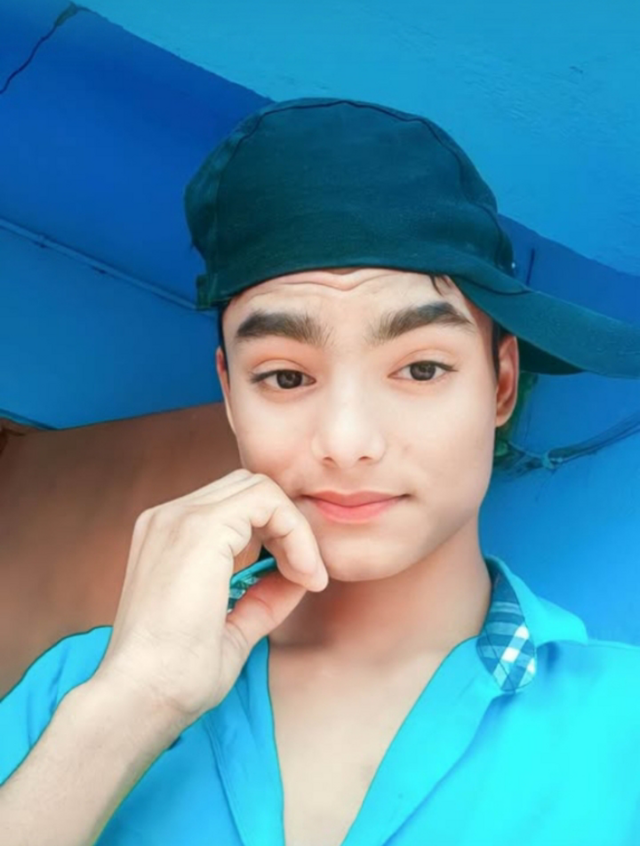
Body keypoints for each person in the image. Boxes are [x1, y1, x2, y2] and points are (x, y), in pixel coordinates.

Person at [1, 97, 640, 846]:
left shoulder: (622, 721)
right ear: (231, 395)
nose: (346, 441)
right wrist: (131, 707)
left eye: (421, 368)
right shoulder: (76, 692)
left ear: (500, 385)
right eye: (285, 377)